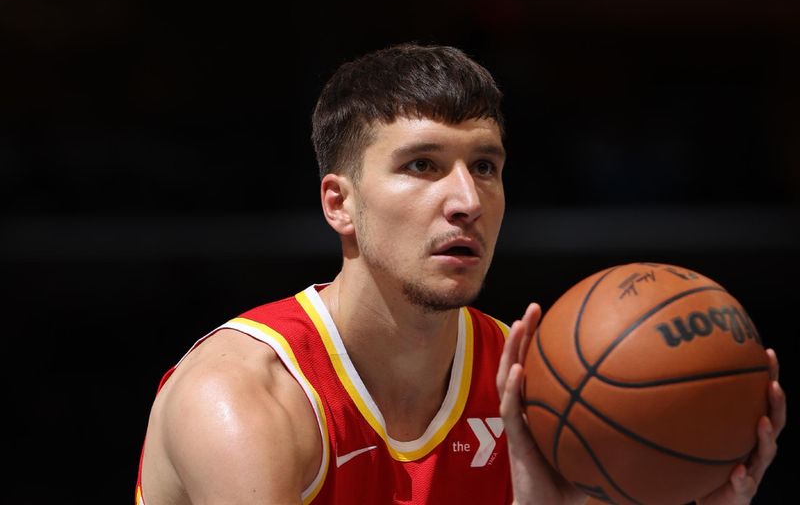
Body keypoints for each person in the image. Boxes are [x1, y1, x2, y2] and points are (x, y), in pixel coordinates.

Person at [135, 43, 785, 504]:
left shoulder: (531, 386)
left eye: (485, 166)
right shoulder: (241, 400)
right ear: (340, 204)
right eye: (422, 165)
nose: (467, 200)